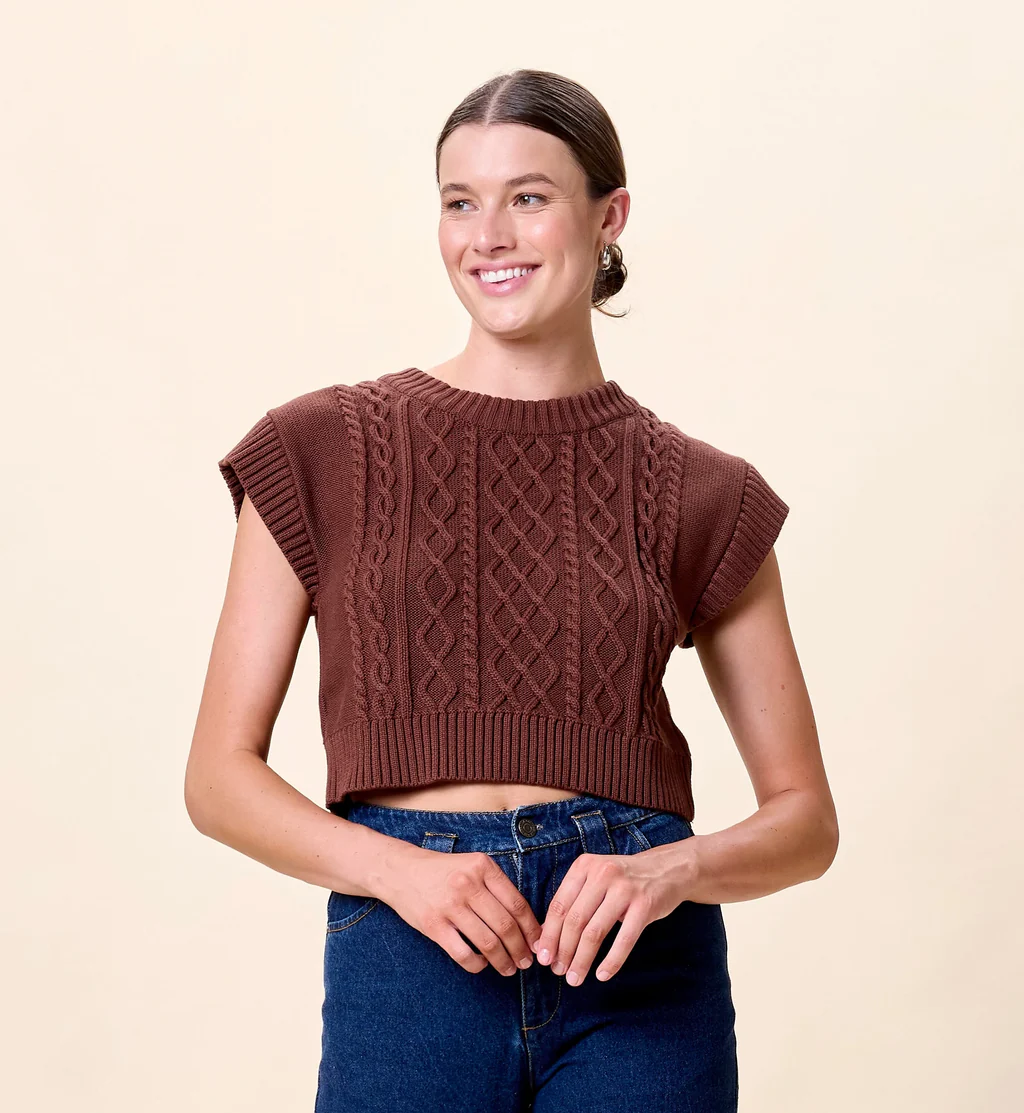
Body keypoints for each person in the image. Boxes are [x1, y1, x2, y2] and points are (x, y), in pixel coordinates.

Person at [186, 68, 838, 1113]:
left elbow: (806, 820)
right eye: (460, 202)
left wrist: (670, 872)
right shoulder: (319, 450)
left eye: (528, 197)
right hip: (410, 946)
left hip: (633, 956)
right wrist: (396, 870)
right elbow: (217, 778)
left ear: (609, 216)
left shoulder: (704, 492)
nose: (487, 235)